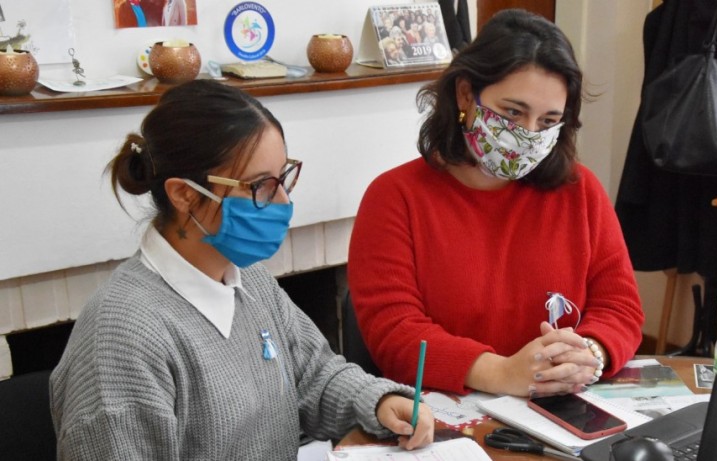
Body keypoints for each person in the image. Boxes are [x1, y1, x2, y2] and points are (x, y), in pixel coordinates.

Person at [50, 80, 434, 460]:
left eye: (282, 177)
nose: (283, 201)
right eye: (259, 186)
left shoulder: (247, 279)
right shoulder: (122, 338)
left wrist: (379, 401)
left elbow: (314, 376)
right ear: (184, 194)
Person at [348, 9, 644, 397]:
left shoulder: (580, 190)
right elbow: (395, 333)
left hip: (556, 405)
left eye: (547, 121)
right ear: (466, 93)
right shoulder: (394, 198)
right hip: (442, 416)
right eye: (513, 112)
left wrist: (590, 353)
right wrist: (502, 373)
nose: (527, 134)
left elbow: (620, 306)